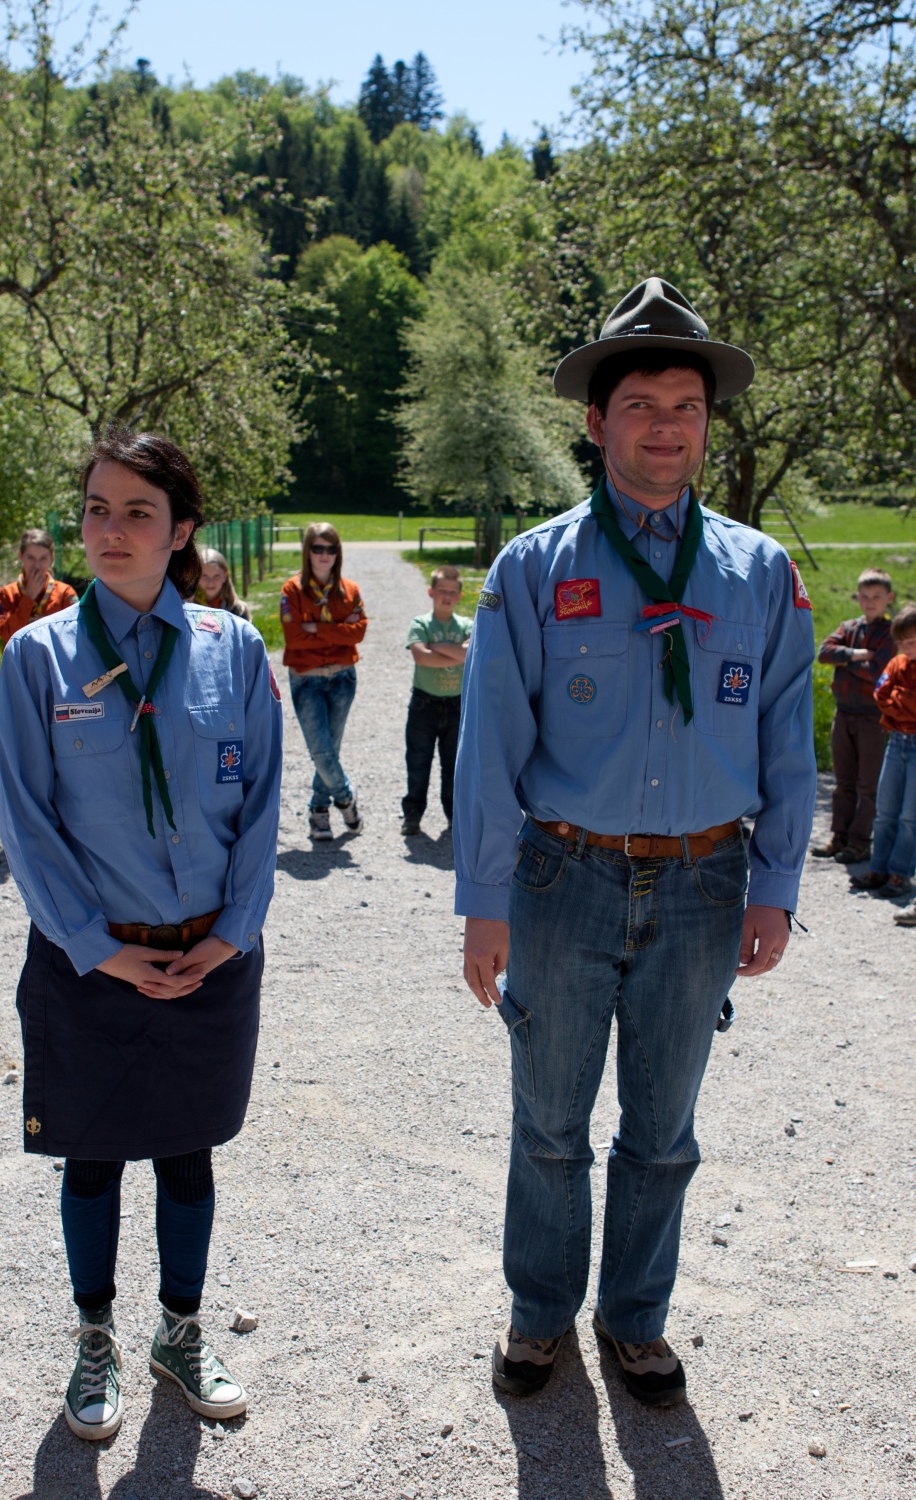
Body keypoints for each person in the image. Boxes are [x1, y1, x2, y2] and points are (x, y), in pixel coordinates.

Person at [454, 278, 816, 1408]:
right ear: (598, 421)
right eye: (642, 403)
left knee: (662, 1134)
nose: (666, 425)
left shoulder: (759, 574)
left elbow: (789, 741)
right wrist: (485, 899)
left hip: (707, 881)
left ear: (708, 422)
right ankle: (537, 1313)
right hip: (562, 875)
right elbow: (489, 746)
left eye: (687, 405)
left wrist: (775, 884)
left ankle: (635, 1320)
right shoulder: (534, 568)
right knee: (550, 1123)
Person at [0, 429, 282, 1441]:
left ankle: (180, 1329)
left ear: (183, 533)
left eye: (137, 513)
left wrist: (231, 934)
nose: (110, 531)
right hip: (89, 961)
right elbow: (25, 822)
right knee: (91, 1158)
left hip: (208, 954)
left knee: (188, 1153)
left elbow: (261, 812)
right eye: (96, 509)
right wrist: (100, 947)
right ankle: (92, 1337)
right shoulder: (36, 658)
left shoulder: (233, 650)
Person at [280, 521, 366, 841]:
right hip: (307, 680)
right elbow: (294, 637)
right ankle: (345, 799)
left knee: (331, 748)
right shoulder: (292, 590)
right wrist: (340, 628)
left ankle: (319, 810)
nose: (324, 554)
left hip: (343, 677)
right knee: (321, 750)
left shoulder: (350, 590)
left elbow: (360, 632)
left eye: (331, 548)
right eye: (317, 548)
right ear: (307, 552)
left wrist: (315, 627)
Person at [810, 569, 894, 865]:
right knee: (842, 780)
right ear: (857, 597)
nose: (870, 603)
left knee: (867, 784)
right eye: (865, 597)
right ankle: (839, 835)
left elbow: (880, 674)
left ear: (889, 599)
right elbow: (823, 652)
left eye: (877, 597)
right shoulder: (849, 627)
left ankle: (860, 841)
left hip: (873, 718)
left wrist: (844, 661)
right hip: (843, 714)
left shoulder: (891, 634)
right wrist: (858, 655)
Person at [850, 602, 916, 906]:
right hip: (896, 741)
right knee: (886, 810)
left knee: (908, 816)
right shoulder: (896, 663)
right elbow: (881, 695)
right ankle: (878, 868)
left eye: (911, 641)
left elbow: (902, 700)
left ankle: (900, 873)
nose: (904, 647)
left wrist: (899, 699)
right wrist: (903, 700)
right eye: (900, 642)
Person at [401, 565, 473, 836]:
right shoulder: (421, 623)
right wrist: (454, 652)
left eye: (452, 592)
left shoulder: (467, 624)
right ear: (431, 592)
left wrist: (437, 647)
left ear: (460, 596)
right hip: (424, 705)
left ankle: (454, 815)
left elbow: (469, 655)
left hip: (457, 705)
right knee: (418, 760)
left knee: (454, 764)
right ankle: (412, 814)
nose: (447, 596)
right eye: (441, 590)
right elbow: (421, 657)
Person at [0, 528, 79, 647]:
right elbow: (4, 633)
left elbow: (77, 632)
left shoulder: (65, 593)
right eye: (31, 558)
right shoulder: (6, 593)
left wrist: (47, 626)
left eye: (43, 558)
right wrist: (28, 599)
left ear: (51, 558)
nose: (37, 566)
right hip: (19, 662)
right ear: (21, 556)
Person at [196, 545, 252, 621]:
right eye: (204, 576)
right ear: (195, 576)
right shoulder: (187, 608)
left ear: (225, 576)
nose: (210, 582)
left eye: (216, 576)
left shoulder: (239, 611)